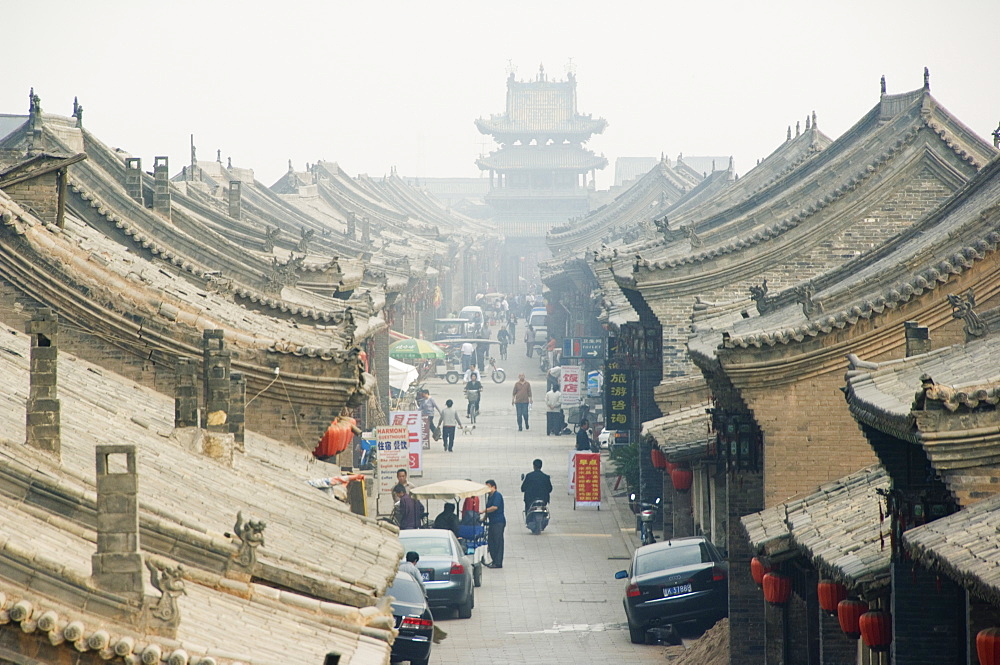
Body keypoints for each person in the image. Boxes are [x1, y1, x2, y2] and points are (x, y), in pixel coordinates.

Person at [481, 480, 505, 568]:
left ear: (493, 487)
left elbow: (494, 507)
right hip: (492, 522)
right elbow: (488, 510)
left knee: (498, 541)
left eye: (488, 487)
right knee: (491, 541)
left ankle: (498, 562)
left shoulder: (497, 495)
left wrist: (483, 511)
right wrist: (483, 518)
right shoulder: (489, 497)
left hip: (498, 522)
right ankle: (494, 560)